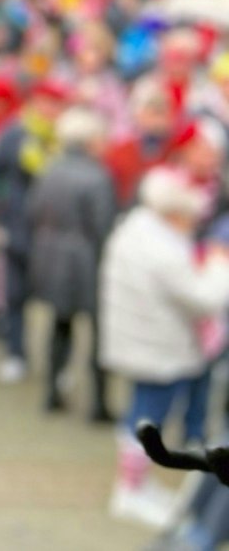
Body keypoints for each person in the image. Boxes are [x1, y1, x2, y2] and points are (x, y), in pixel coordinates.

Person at [100, 167, 229, 528]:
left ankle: (137, 484)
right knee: (147, 418)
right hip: (157, 347)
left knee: (143, 413)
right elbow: (205, 297)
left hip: (144, 341)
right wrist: (220, 263)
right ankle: (131, 490)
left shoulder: (139, 227)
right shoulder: (162, 248)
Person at [26, 106, 117, 422]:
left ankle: (52, 391)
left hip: (50, 256)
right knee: (98, 333)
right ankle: (99, 403)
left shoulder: (50, 170)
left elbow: (33, 211)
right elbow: (104, 226)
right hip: (87, 260)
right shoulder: (97, 177)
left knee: (59, 326)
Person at [0, 77, 66, 383]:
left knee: (57, 302)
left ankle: (58, 366)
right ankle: (16, 353)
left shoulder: (64, 140)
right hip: (18, 228)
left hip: (54, 234)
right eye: (45, 102)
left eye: (56, 104)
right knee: (14, 295)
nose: (49, 110)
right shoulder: (15, 135)